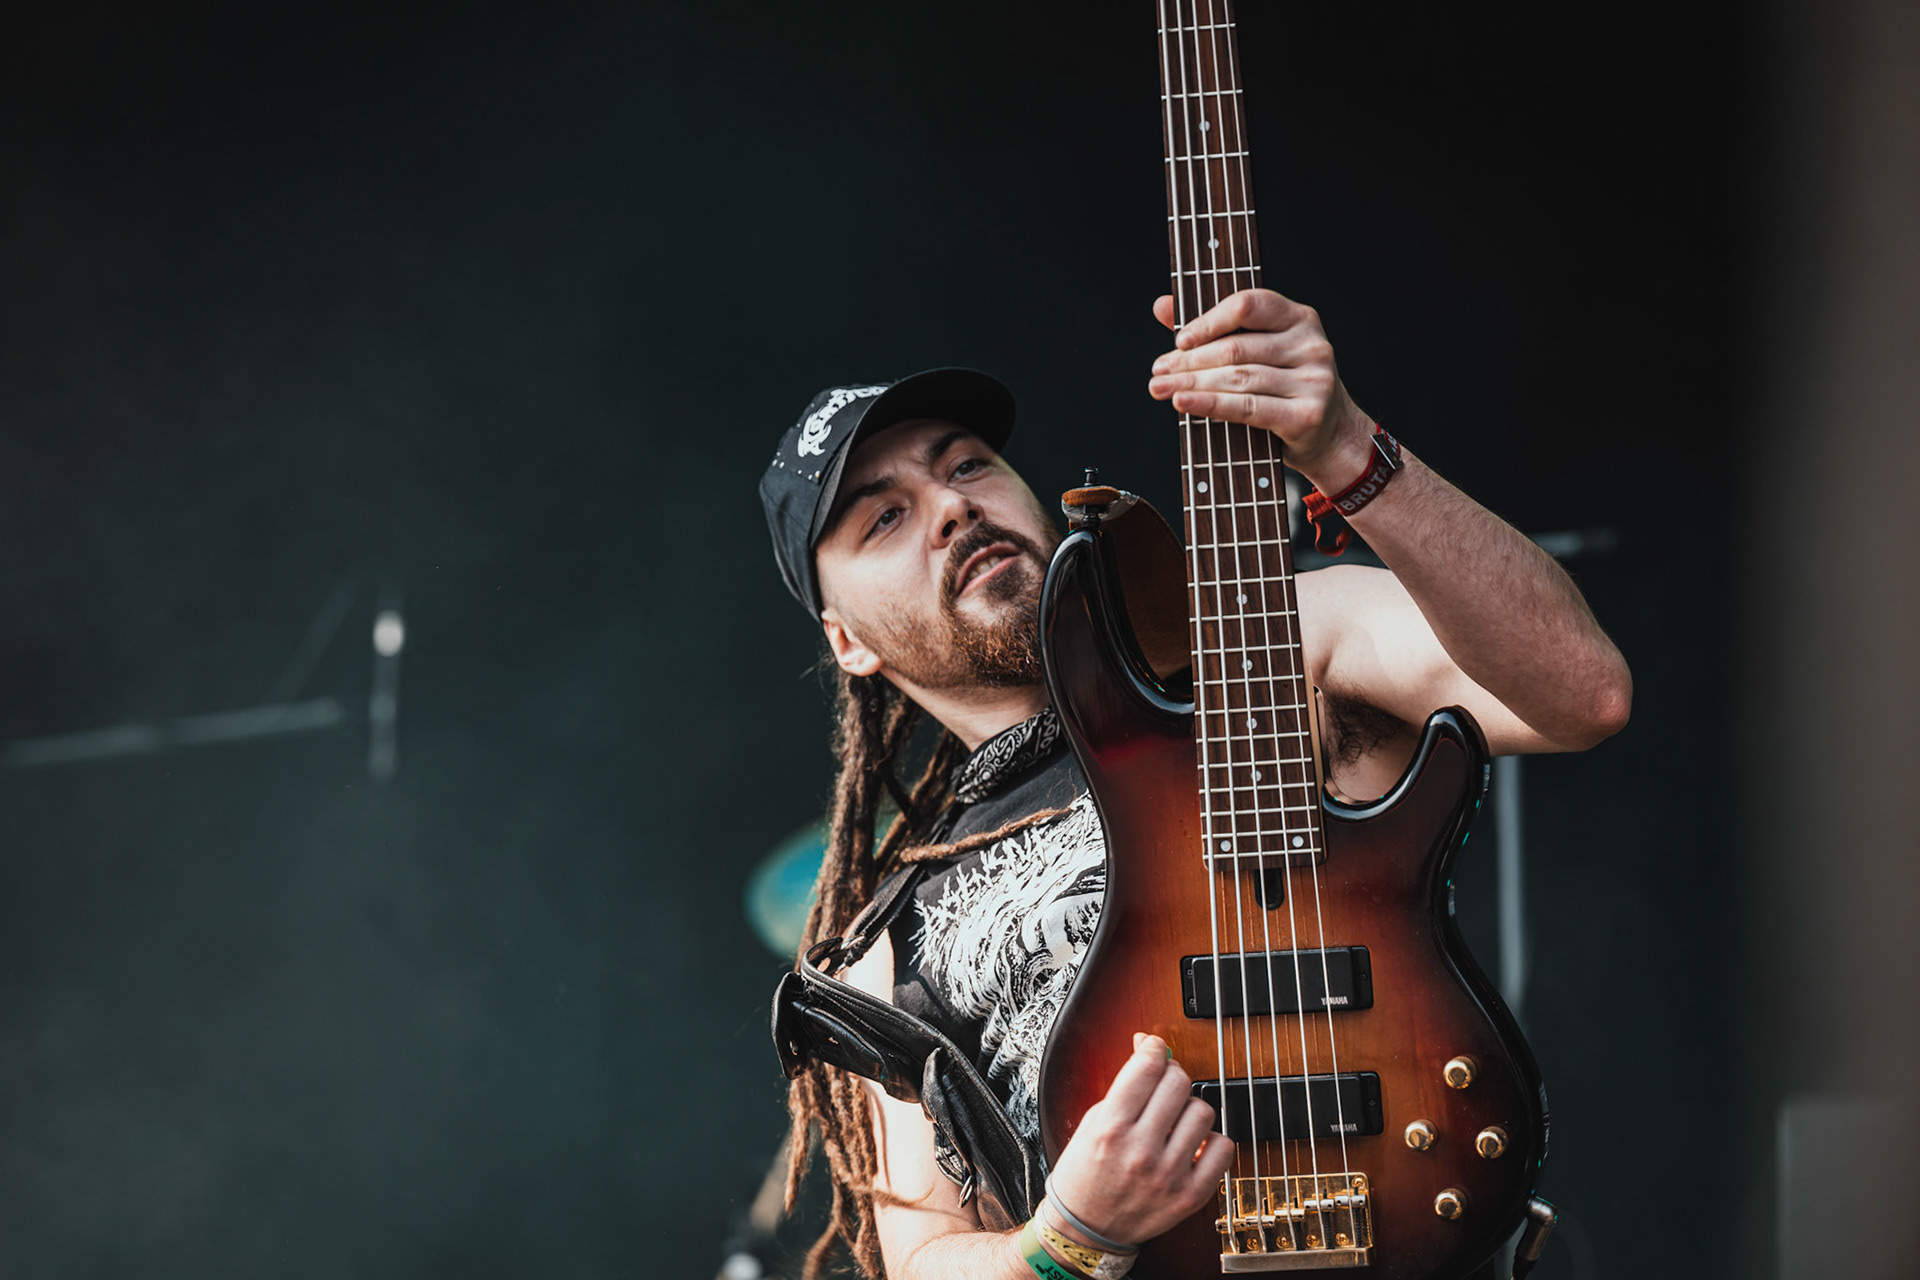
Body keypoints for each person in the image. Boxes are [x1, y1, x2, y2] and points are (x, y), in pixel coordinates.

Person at [757, 287, 1632, 1280]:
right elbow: (919, 1258)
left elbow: (1585, 692)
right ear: (846, 641)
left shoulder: (1271, 647)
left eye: (968, 465)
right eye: (885, 517)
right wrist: (1066, 1235)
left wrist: (1347, 449)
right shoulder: (885, 944)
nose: (952, 505)